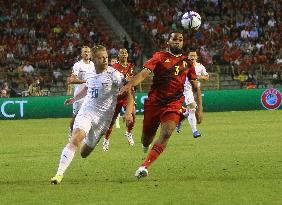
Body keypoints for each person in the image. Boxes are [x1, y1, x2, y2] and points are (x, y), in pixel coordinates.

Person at [120, 31, 202, 179]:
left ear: (183, 43)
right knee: (146, 139)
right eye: (174, 39)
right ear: (168, 42)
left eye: (180, 39)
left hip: (174, 103)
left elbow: (196, 87)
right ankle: (145, 145)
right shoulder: (159, 57)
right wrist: (129, 85)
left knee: (167, 132)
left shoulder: (187, 62)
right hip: (154, 103)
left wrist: (199, 110)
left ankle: (144, 166)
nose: (177, 41)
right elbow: (144, 74)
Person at [50, 45, 134, 184]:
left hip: (103, 120)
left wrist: (129, 112)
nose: (105, 60)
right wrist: (74, 99)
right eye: (101, 58)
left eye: (106, 57)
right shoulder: (89, 72)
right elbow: (88, 88)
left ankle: (84, 138)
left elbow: (130, 90)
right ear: (94, 59)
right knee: (76, 137)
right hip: (87, 111)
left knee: (84, 153)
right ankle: (58, 175)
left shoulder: (115, 75)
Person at [102, 48, 135, 151]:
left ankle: (128, 133)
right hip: (115, 97)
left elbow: (131, 82)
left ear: (127, 55)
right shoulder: (114, 67)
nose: (124, 55)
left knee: (132, 115)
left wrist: (132, 93)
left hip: (127, 96)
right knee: (111, 122)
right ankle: (106, 140)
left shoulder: (130, 66)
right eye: (122, 53)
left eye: (125, 53)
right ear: (118, 56)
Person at [176, 50, 208, 137]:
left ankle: (180, 119)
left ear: (197, 57)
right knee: (193, 108)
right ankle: (195, 131)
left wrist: (200, 76)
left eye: (194, 56)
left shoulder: (200, 67)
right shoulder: (183, 66)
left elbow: (206, 77)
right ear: (188, 57)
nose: (192, 57)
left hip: (196, 90)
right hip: (187, 90)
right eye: (191, 56)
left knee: (196, 113)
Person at [66, 46, 95, 139]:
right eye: (85, 52)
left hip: (91, 95)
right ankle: (71, 131)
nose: (87, 53)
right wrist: (85, 81)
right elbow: (72, 79)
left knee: (90, 117)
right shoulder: (78, 65)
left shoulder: (93, 65)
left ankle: (88, 137)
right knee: (76, 117)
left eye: (88, 52)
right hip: (80, 95)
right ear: (81, 54)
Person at [109, 56, 121, 129]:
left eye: (115, 61)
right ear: (110, 62)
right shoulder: (108, 70)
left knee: (117, 107)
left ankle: (117, 122)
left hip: (117, 91)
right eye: (112, 61)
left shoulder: (119, 71)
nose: (114, 63)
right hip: (108, 92)